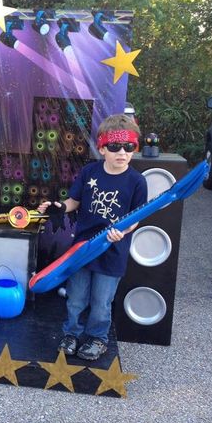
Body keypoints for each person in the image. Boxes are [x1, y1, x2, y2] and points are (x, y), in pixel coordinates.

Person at [39, 114, 147, 360]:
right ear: (102, 148)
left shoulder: (137, 181)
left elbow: (137, 217)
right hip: (83, 249)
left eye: (129, 147)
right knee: (76, 297)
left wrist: (125, 230)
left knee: (101, 301)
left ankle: (98, 338)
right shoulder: (89, 172)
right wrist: (58, 207)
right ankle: (72, 334)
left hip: (112, 251)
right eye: (115, 146)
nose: (122, 152)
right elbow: (73, 202)